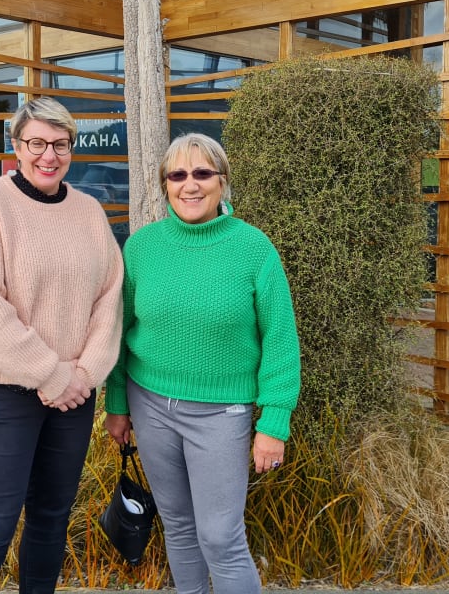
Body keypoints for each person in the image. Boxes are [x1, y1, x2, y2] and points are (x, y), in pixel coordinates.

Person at [103, 133, 301, 594]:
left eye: (202, 173)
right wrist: (116, 401)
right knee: (178, 525)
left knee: (221, 536)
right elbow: (118, 329)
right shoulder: (143, 247)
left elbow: (280, 339)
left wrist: (274, 422)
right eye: (178, 175)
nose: (189, 185)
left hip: (221, 415)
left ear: (222, 182)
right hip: (149, 406)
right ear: (165, 185)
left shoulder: (253, 248)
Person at [0, 96, 123, 594]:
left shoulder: (89, 212)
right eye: (37, 143)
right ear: (17, 146)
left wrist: (85, 374)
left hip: (75, 394)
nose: (49, 155)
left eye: (60, 144)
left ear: (71, 148)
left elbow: (110, 295)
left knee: (50, 517)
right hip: (5, 392)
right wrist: (51, 374)